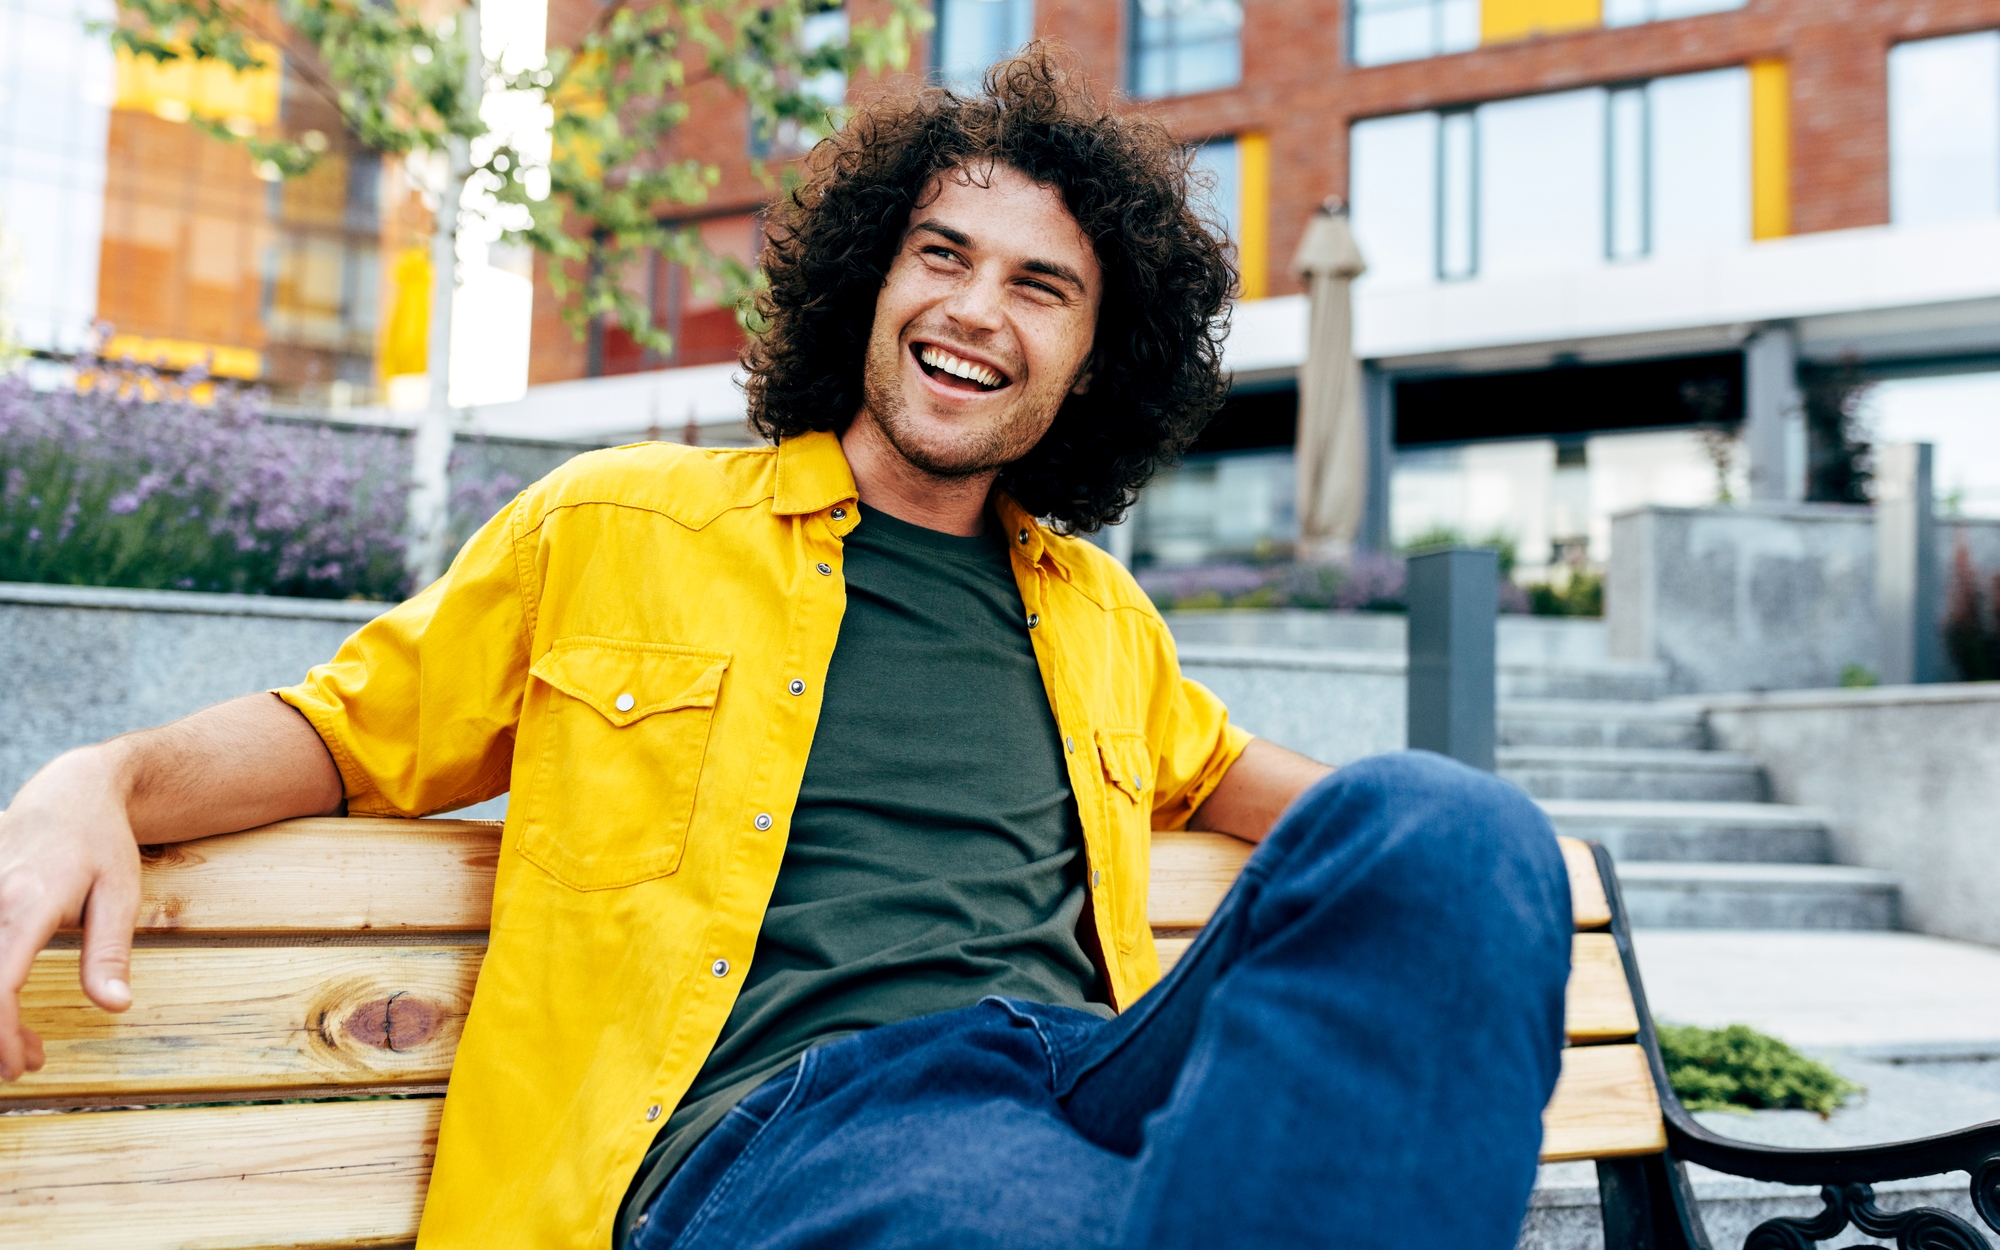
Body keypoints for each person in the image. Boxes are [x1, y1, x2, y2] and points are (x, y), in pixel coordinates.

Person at [0, 48, 1570, 1250]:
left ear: (1094, 364)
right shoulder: (620, 524)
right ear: (873, 281)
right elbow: (344, 729)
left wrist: (1437, 884)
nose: (975, 308)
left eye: (1041, 286)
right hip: (796, 1121)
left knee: (1461, 821)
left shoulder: (1096, 612)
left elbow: (1248, 787)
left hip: (1085, 1069)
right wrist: (102, 775)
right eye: (942, 255)